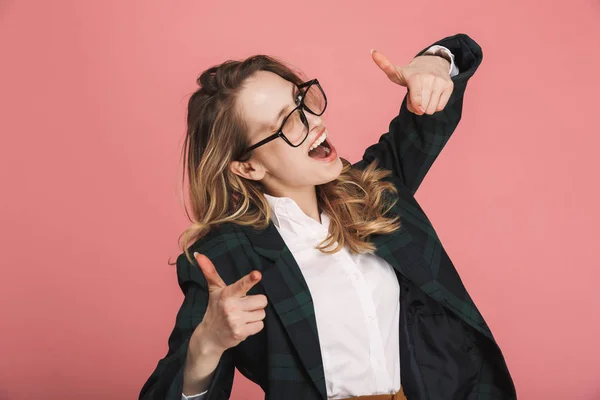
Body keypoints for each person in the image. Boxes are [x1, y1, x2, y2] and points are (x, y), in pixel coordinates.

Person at [139, 33, 517, 400]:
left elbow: (438, 94)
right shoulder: (224, 258)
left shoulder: (376, 189)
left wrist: (434, 63)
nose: (312, 121)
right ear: (247, 166)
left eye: (301, 100)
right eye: (286, 123)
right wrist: (207, 343)